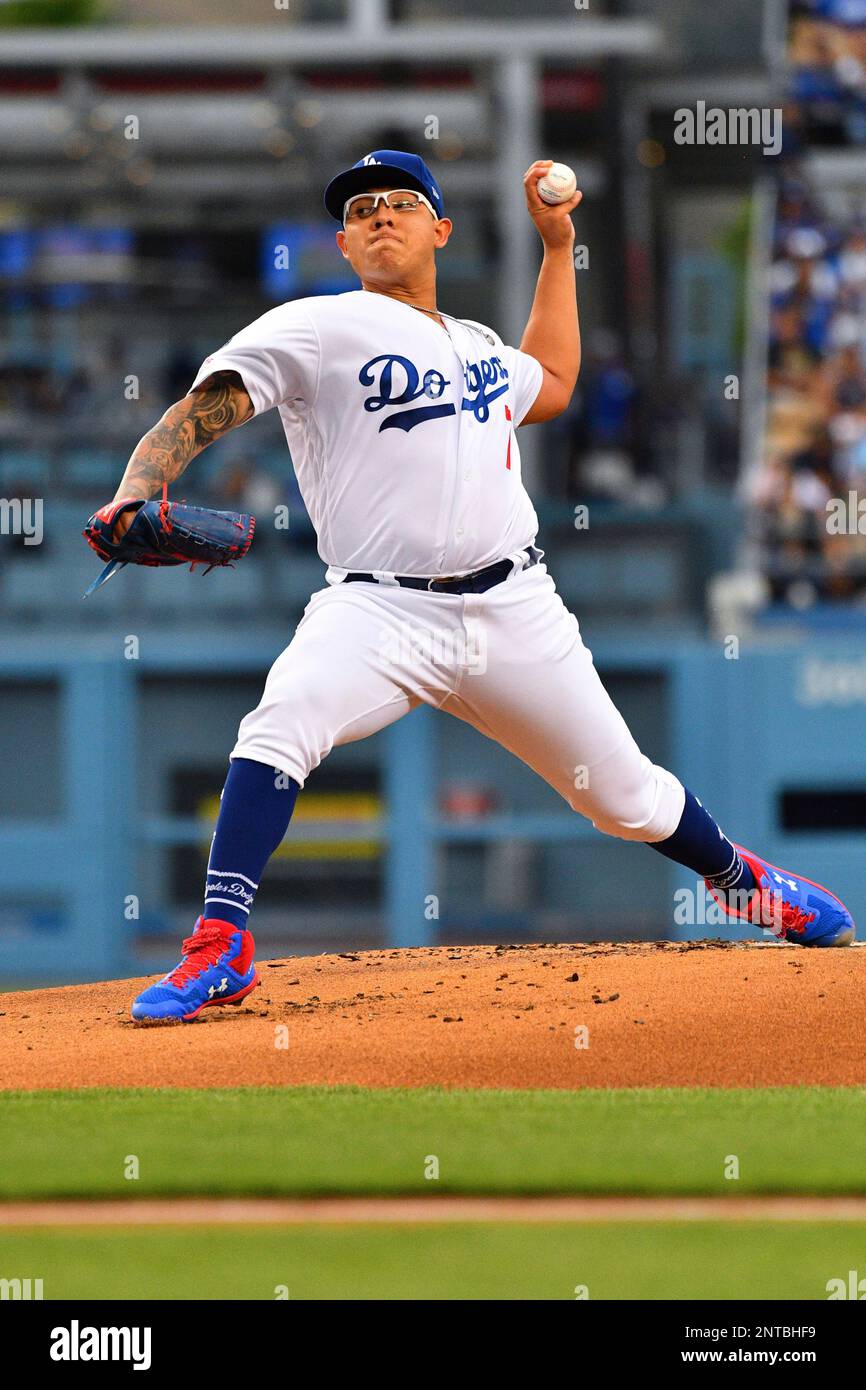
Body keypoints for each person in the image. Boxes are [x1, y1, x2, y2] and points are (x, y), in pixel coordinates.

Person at [102, 151, 854, 1022]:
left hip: (514, 609)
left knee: (623, 797)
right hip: (378, 607)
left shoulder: (480, 349)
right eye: (360, 210)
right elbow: (211, 401)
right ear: (345, 243)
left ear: (440, 230)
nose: (379, 215)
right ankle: (220, 944)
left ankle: (743, 882)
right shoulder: (318, 327)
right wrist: (134, 487)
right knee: (281, 720)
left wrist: (556, 245)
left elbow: (559, 382)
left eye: (400, 202)